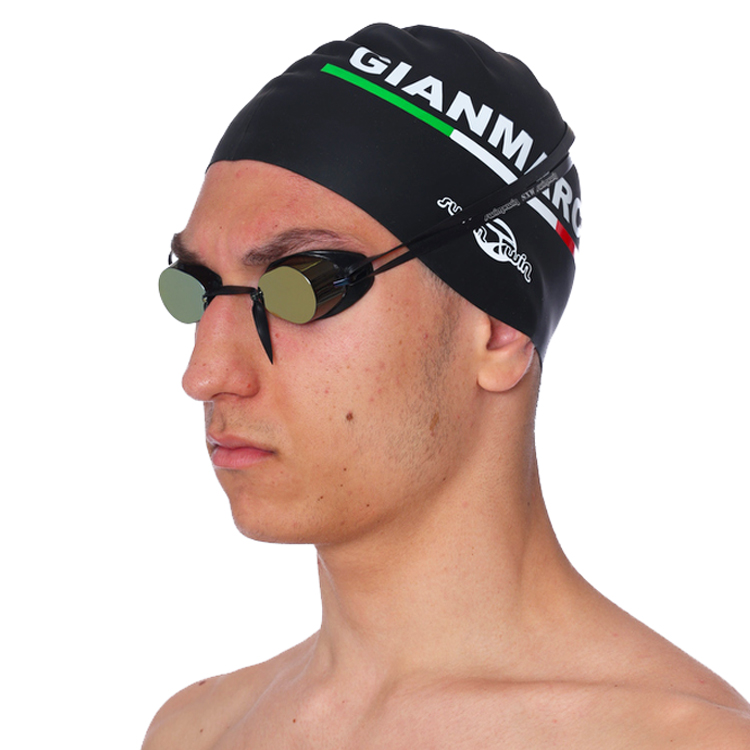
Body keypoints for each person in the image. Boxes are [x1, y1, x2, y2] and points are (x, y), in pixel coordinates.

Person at [143, 23, 750, 749]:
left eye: (302, 286)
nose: (206, 374)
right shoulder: (195, 732)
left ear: (499, 330)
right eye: (196, 290)